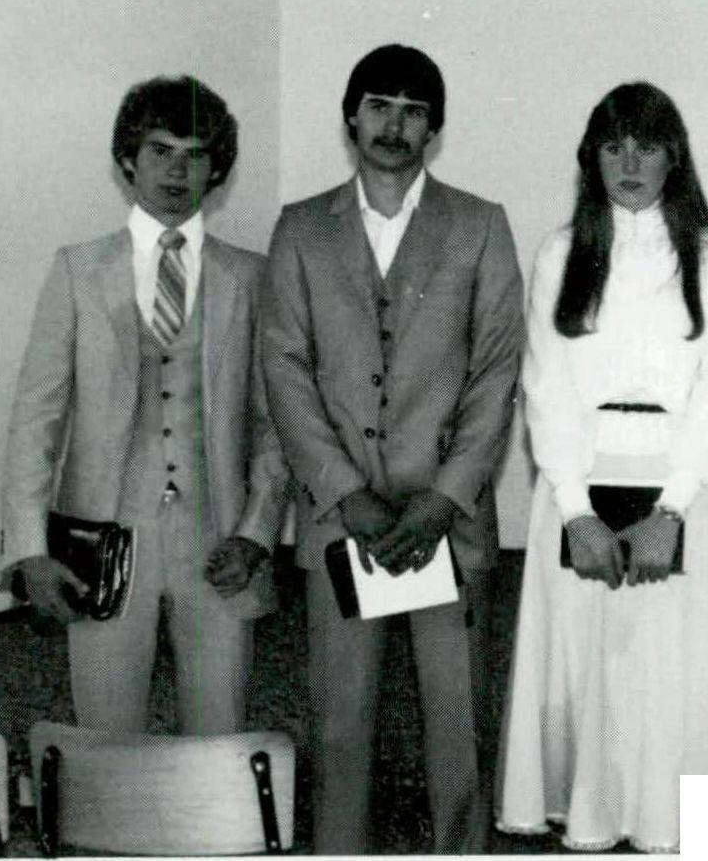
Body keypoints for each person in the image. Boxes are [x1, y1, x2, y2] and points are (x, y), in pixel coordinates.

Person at [261, 44, 523, 852]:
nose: (394, 125)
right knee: (339, 727)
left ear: (433, 129)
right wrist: (347, 493)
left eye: (413, 112)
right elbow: (284, 369)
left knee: (458, 728)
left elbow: (496, 371)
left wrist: (445, 496)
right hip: (342, 519)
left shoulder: (480, 224)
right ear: (351, 117)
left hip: (448, 519)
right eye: (379, 106)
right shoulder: (301, 228)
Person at [495, 82, 708, 854]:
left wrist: (671, 511)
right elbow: (545, 386)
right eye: (613, 147)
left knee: (670, 675)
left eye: (647, 146)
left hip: (684, 485)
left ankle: (668, 828)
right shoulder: (561, 252)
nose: (630, 163)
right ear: (592, 158)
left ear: (675, 157)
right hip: (578, 483)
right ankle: (591, 822)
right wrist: (577, 512)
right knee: (590, 674)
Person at [0, 75, 290, 734]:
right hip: (101, 540)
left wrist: (256, 532)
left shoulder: (252, 277)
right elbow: (36, 419)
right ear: (127, 160)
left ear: (217, 169)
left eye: (195, 155)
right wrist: (29, 548)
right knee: (105, 737)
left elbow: (275, 424)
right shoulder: (77, 270)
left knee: (220, 735)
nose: (177, 171)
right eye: (160, 150)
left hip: (219, 541)